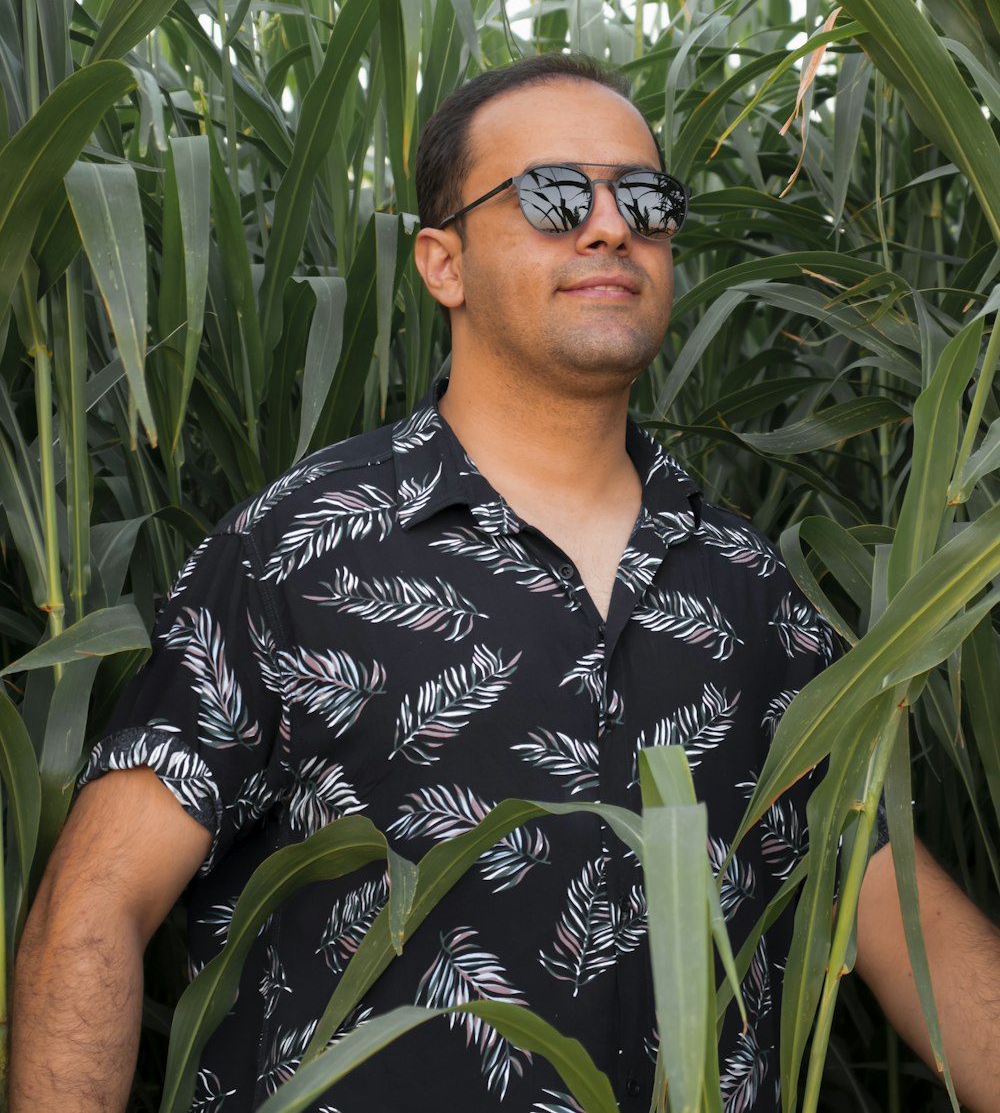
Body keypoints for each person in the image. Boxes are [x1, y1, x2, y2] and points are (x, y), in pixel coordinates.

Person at [11, 56, 999, 1113]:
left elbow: (896, 912)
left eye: (647, 201)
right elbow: (94, 908)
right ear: (444, 262)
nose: (611, 227)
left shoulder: (753, 593)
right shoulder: (297, 553)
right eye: (554, 196)